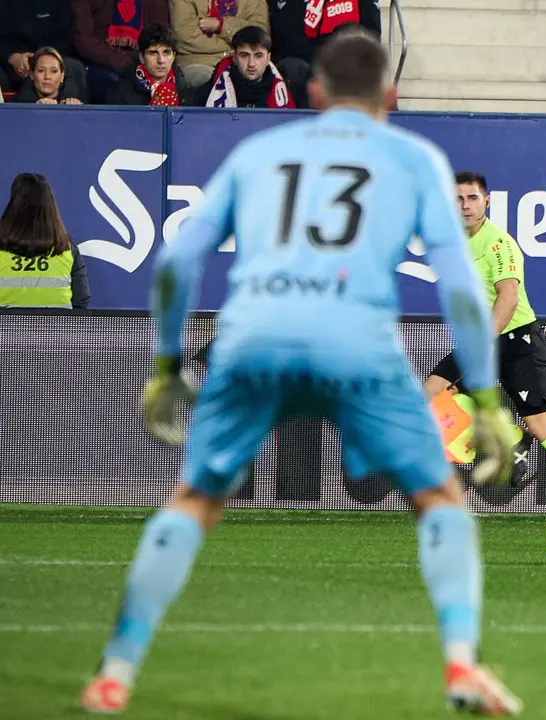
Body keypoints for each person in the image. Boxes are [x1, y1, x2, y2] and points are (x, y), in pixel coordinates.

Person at [79, 26, 522, 716]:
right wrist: (488, 399)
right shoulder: (412, 158)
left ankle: (114, 674)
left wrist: (168, 366)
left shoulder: (261, 151)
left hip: (254, 339)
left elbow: (176, 264)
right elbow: (461, 289)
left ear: (312, 93)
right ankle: (461, 665)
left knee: (195, 501)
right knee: (439, 500)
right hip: (358, 343)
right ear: (392, 96)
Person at [424, 171, 546, 518]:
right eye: (458, 199)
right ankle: (510, 439)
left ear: (487, 202)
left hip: (515, 339)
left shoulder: (499, 243)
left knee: (543, 425)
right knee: (432, 395)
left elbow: (508, 299)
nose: (465, 205)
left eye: (472, 198)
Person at [0, 172, 89, 309]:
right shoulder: (67, 247)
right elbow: (81, 301)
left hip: (5, 329)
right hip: (57, 329)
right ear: (50, 204)